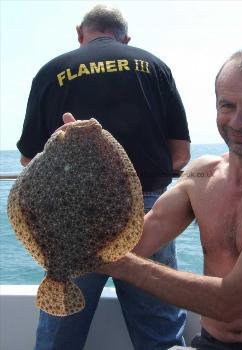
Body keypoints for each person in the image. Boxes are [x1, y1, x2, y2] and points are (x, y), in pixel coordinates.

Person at [95, 48, 242, 349]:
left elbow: (230, 301)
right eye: (227, 105)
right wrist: (91, 160)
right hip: (209, 342)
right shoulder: (201, 175)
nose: (237, 121)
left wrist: (122, 265)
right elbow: (136, 241)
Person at [17, 4, 190, 350]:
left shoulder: (51, 71)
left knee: (59, 335)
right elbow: (180, 156)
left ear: (80, 33)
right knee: (159, 331)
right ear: (126, 38)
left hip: (68, 222)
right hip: (148, 216)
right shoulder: (154, 67)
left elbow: (27, 160)